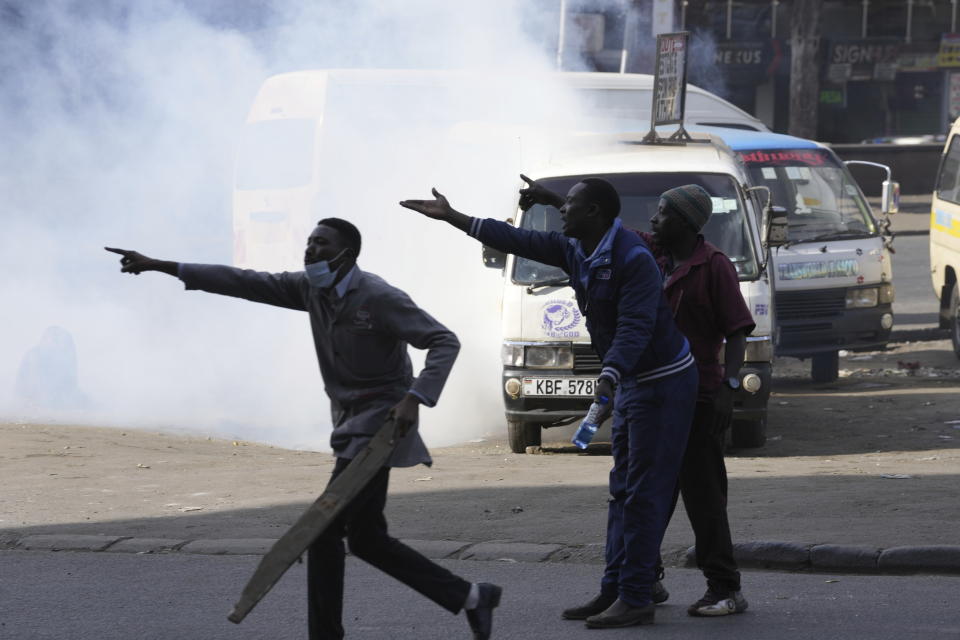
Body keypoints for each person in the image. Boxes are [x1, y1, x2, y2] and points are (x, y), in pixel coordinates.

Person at [105, 217, 501, 640]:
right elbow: (244, 281)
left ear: (346, 255)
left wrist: (415, 397)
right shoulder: (312, 290)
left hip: (381, 427)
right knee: (366, 539)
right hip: (350, 425)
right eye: (309, 243)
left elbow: (443, 341)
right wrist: (162, 265)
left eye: (321, 244)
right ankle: (473, 597)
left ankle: (325, 635)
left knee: (321, 529)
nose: (310, 251)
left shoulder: (379, 297)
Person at [400, 179, 698, 630]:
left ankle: (637, 596)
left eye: (571, 206)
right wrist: (454, 217)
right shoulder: (580, 247)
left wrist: (610, 374)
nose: (563, 213)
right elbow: (517, 238)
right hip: (634, 382)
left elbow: (636, 329)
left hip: (662, 383)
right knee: (622, 491)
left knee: (643, 495)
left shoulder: (631, 259)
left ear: (594, 213)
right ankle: (615, 588)